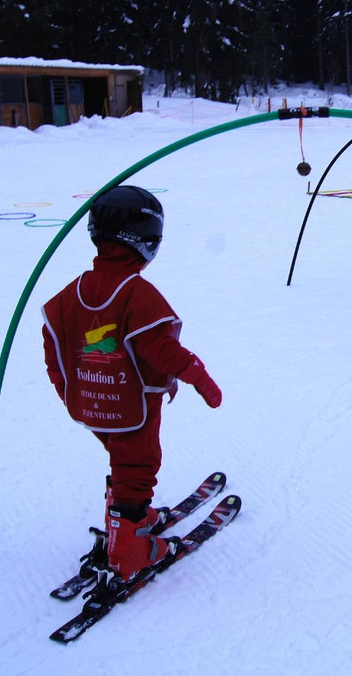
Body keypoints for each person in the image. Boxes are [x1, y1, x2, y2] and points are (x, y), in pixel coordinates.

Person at [41, 185, 222, 582]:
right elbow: (159, 348)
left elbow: (54, 349)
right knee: (139, 461)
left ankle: (125, 512)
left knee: (121, 457)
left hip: (93, 405)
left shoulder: (70, 294)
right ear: (144, 241)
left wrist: (73, 393)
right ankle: (131, 547)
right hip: (133, 407)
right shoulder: (135, 294)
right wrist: (198, 375)